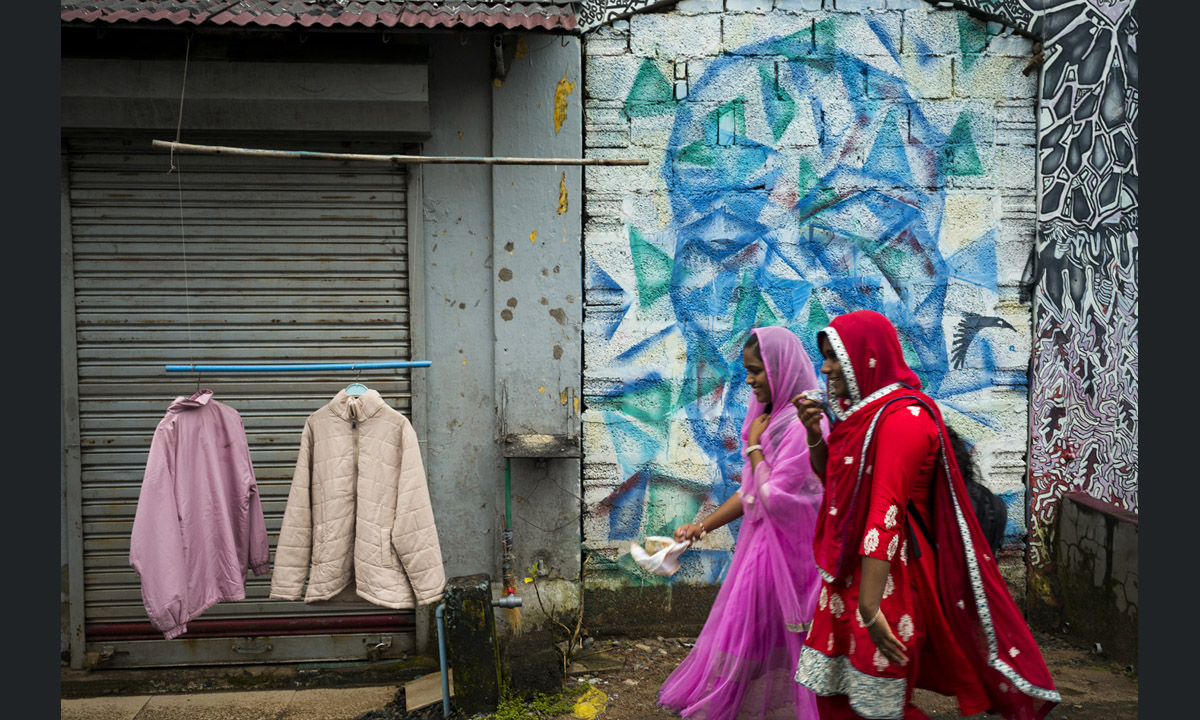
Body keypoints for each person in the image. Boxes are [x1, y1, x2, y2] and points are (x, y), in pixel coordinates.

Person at [791, 310, 1060, 720]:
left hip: (890, 581)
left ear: (867, 358)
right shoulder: (857, 416)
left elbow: (885, 510)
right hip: (852, 573)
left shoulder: (905, 419)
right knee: (833, 695)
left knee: (877, 704)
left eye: (834, 356)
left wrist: (869, 607)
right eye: (825, 356)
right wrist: (815, 435)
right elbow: (838, 487)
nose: (825, 368)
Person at [659, 326, 826, 720]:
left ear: (781, 369)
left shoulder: (802, 427)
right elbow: (752, 491)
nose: (748, 381)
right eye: (747, 371)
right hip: (762, 548)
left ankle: (725, 707)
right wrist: (703, 526)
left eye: (756, 371)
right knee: (748, 633)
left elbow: (776, 497)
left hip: (786, 556)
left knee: (751, 635)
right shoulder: (772, 419)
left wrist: (753, 446)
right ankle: (729, 705)